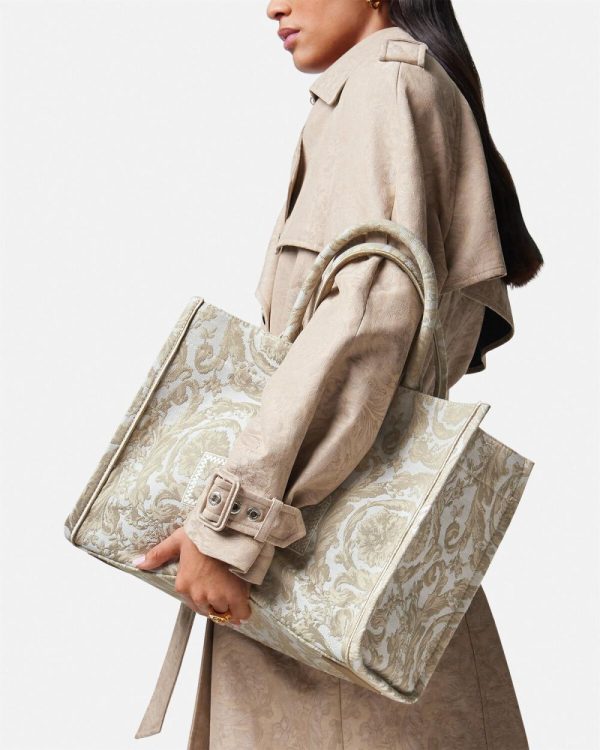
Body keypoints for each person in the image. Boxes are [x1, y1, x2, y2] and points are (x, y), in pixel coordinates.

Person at [135, 1, 543, 747]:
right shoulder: (391, 89)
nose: (273, 5)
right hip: (352, 575)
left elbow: (361, 328)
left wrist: (231, 527)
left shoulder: (386, 89)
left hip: (324, 574)